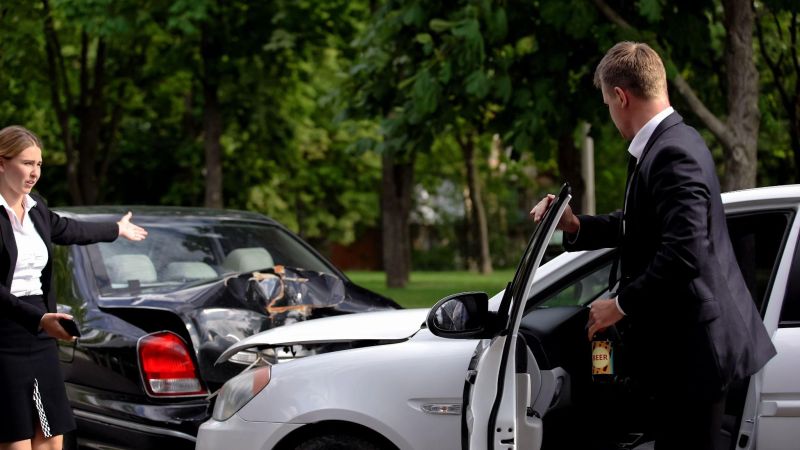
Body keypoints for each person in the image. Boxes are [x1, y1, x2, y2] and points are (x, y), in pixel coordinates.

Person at [530, 42, 776, 450]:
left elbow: (684, 253)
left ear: (621, 97)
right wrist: (576, 225)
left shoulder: (673, 152)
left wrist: (619, 304)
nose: (610, 113)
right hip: (685, 355)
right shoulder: (670, 143)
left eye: (608, 102)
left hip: (695, 356)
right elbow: (639, 227)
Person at [0, 125, 148, 450]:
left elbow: (68, 229)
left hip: (41, 333)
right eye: (27, 163)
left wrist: (116, 229)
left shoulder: (36, 207)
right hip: (5, 335)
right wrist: (38, 319)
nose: (34, 172)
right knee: (17, 442)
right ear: (2, 163)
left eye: (38, 164)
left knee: (53, 438)